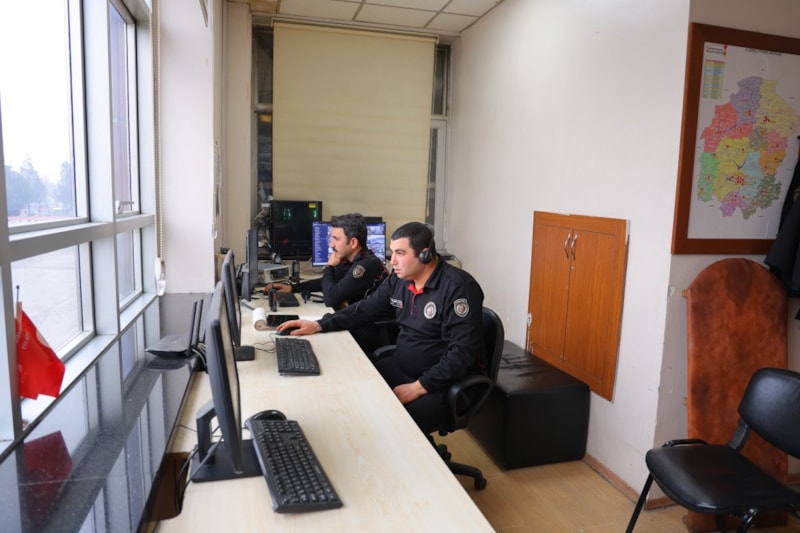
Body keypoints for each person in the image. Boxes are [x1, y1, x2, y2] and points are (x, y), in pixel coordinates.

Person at [277, 222, 485, 434]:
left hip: (440, 383)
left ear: (425, 255)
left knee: (384, 423)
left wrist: (419, 386)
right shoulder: (400, 279)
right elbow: (366, 309)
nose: (392, 261)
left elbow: (462, 354)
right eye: (392, 252)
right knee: (349, 388)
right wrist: (320, 324)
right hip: (402, 367)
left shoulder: (459, 288)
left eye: (400, 253)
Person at [265, 213, 387, 310]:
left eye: (336, 239)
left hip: (368, 329)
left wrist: (329, 267)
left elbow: (330, 299)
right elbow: (327, 282)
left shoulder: (365, 265)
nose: (331, 244)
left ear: (353, 243)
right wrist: (293, 288)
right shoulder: (351, 260)